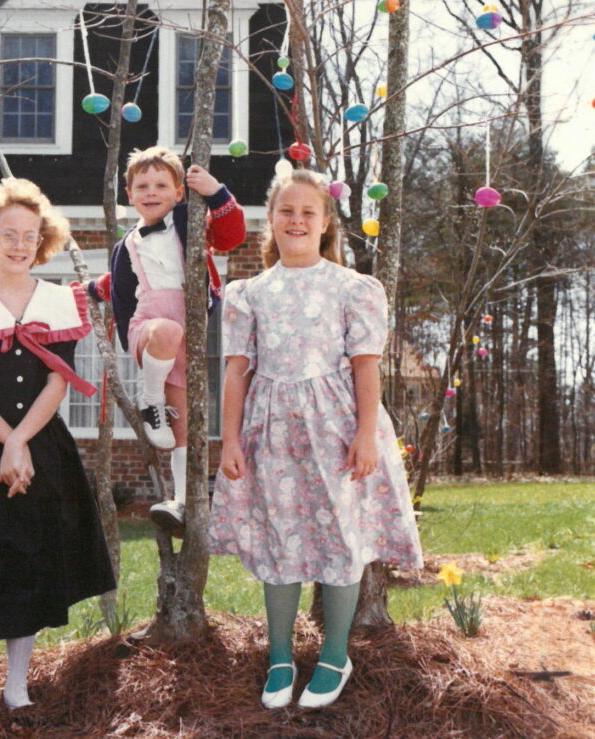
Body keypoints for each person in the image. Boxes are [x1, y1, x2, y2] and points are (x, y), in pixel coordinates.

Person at [211, 168, 423, 709]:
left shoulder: (352, 287)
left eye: (309, 212)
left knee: (341, 540)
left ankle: (334, 654)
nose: (297, 220)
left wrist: (367, 433)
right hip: (272, 430)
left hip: (338, 428)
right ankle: (279, 654)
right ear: (272, 220)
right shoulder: (249, 293)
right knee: (279, 540)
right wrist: (229, 440)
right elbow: (236, 371)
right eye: (287, 211)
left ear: (325, 222)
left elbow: (366, 367)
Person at [0, 178, 116, 723]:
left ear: (43, 242)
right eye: (9, 234)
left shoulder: (59, 302)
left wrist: (25, 441)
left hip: (44, 447)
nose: (20, 245)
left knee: (30, 563)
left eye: (31, 236)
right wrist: (8, 442)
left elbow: (57, 384)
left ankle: (17, 684)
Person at [86, 146, 246, 534]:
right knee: (166, 331)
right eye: (143, 185)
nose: (151, 191)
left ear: (178, 193)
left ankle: (181, 500)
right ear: (130, 194)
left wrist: (216, 193)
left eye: (161, 184)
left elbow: (231, 236)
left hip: (187, 334)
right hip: (150, 326)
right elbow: (120, 283)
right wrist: (89, 288)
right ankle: (149, 397)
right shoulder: (128, 243)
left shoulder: (188, 224)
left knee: (183, 426)